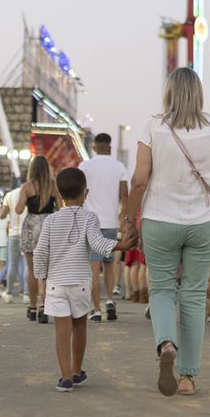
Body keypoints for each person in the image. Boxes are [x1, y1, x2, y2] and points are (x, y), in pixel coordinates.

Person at [119, 67, 210, 397]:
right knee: (195, 295)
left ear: (169, 93)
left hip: (159, 218)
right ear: (198, 93)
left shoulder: (154, 126)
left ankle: (166, 342)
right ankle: (187, 377)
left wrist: (130, 219)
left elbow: (139, 180)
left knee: (163, 289)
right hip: (204, 220)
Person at [34, 166, 121, 391]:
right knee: (80, 326)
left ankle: (65, 378)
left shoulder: (51, 221)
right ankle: (76, 370)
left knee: (62, 331)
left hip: (56, 283)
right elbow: (99, 244)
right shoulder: (89, 218)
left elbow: (41, 252)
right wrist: (122, 244)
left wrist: (41, 281)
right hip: (80, 283)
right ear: (86, 193)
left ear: (59, 194)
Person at [81, 132, 130, 322]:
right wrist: (125, 220)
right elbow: (124, 196)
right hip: (110, 222)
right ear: (110, 147)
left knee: (94, 267)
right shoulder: (119, 167)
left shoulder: (85, 166)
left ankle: (95, 309)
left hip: (90, 222)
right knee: (109, 264)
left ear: (94, 147)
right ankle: (109, 299)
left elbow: (80, 191)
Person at [18, 155, 60, 323]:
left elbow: (19, 209)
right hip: (48, 226)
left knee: (32, 269)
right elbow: (60, 207)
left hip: (30, 227)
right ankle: (45, 306)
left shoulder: (27, 187)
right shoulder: (53, 186)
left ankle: (33, 306)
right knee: (47, 271)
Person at [0, 181, 27, 304]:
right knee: (27, 265)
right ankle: (27, 294)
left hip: (13, 234)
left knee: (12, 265)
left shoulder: (9, 195)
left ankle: (9, 293)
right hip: (27, 232)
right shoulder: (29, 193)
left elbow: (2, 215)